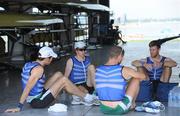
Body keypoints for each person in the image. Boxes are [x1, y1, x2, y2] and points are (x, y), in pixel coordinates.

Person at [5, 46, 96, 113]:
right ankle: (87, 97)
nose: (52, 59)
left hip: (37, 93)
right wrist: (19, 106)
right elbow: (27, 88)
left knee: (58, 74)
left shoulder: (30, 64)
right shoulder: (38, 69)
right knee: (64, 80)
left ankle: (76, 95)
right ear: (47, 58)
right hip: (37, 101)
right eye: (51, 57)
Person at [95, 46, 145, 115]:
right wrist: (141, 65)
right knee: (136, 78)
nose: (122, 59)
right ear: (119, 56)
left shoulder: (98, 69)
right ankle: (132, 104)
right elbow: (143, 76)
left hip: (103, 108)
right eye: (122, 57)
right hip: (119, 108)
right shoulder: (123, 69)